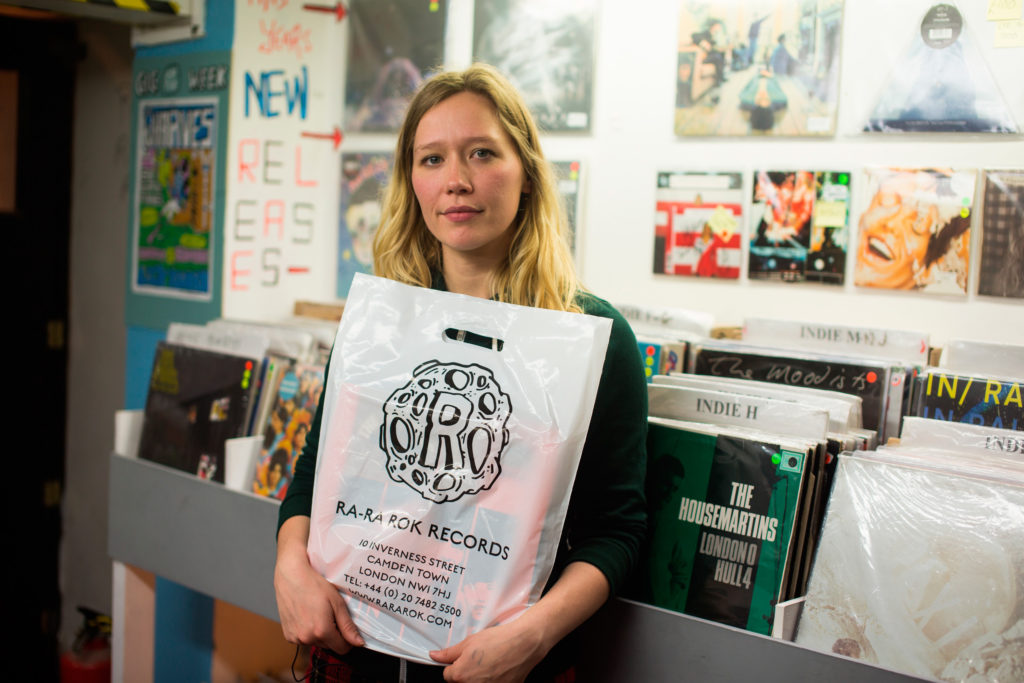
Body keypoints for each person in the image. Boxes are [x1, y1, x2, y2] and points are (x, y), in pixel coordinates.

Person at [274, 63, 648, 683]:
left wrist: (535, 634)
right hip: (355, 652)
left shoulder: (591, 338)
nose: (456, 181)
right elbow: (316, 475)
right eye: (432, 159)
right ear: (411, 182)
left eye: (482, 153)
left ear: (527, 173)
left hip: (500, 665)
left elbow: (617, 530)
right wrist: (290, 566)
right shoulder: (379, 325)